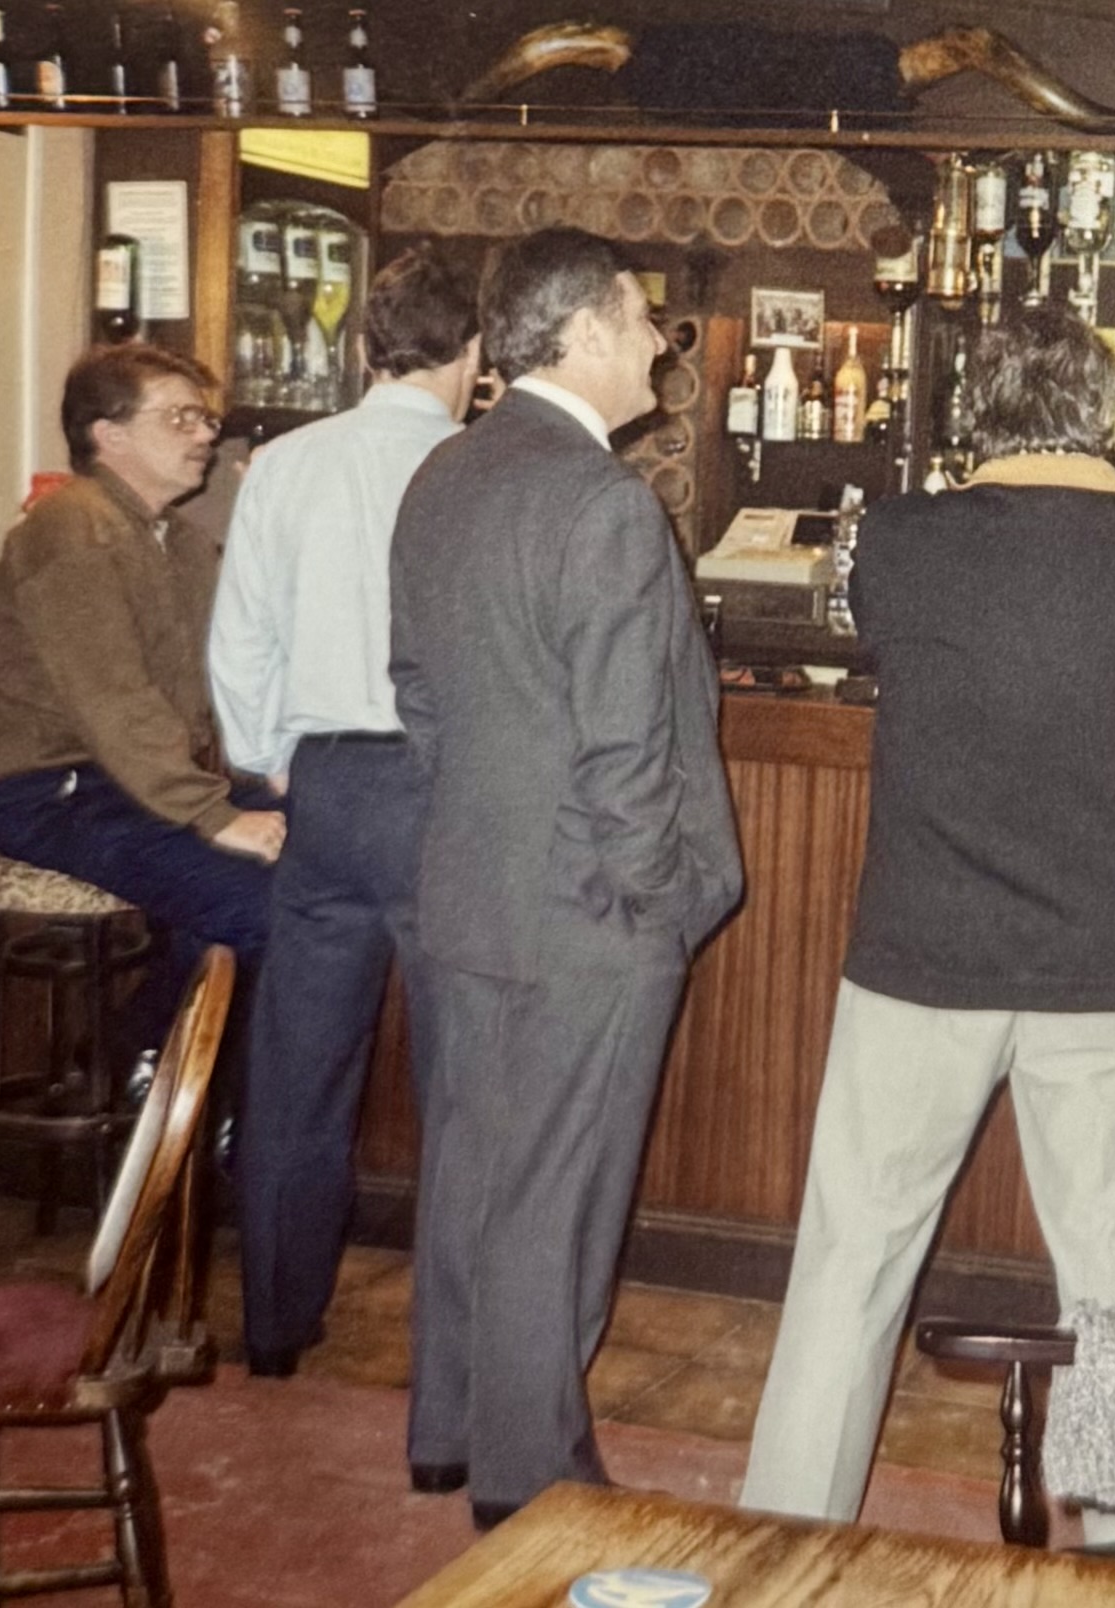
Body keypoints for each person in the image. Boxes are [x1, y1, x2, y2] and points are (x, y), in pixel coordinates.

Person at [741, 307, 1115, 1524]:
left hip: (923, 956)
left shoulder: (905, 538)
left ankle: (789, 1542)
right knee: (1114, 1285)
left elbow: (872, 635)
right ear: (1099, 411)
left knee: (850, 1269)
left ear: (975, 412)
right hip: (1100, 962)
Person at [389, 227, 742, 1528]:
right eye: (643, 315)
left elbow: (417, 693)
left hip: (473, 882)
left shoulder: (443, 476)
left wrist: (493, 815)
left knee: (474, 1166)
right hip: (588, 912)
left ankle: (447, 1429)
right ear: (585, 331)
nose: (661, 338)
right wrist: (648, 901)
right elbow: (626, 745)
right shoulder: (602, 503)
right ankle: (528, 1480)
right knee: (558, 1194)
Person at [208, 249, 484, 1382]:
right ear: (473, 354)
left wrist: (271, 762)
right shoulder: (477, 471)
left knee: (297, 1075)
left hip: (324, 782)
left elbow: (242, 639)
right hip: (443, 791)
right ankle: (451, 1360)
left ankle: (275, 1326)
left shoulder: (286, 461)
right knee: (462, 1085)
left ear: (369, 346)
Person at [0, 344, 285, 1060]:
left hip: (131, 787)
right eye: (179, 418)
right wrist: (214, 813)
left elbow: (228, 674)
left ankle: (161, 1083)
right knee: (264, 908)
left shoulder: (183, 544)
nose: (206, 433)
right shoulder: (70, 526)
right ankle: (139, 1072)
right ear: (107, 436)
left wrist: (265, 771)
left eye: (205, 417)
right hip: (49, 790)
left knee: (327, 861)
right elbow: (114, 700)